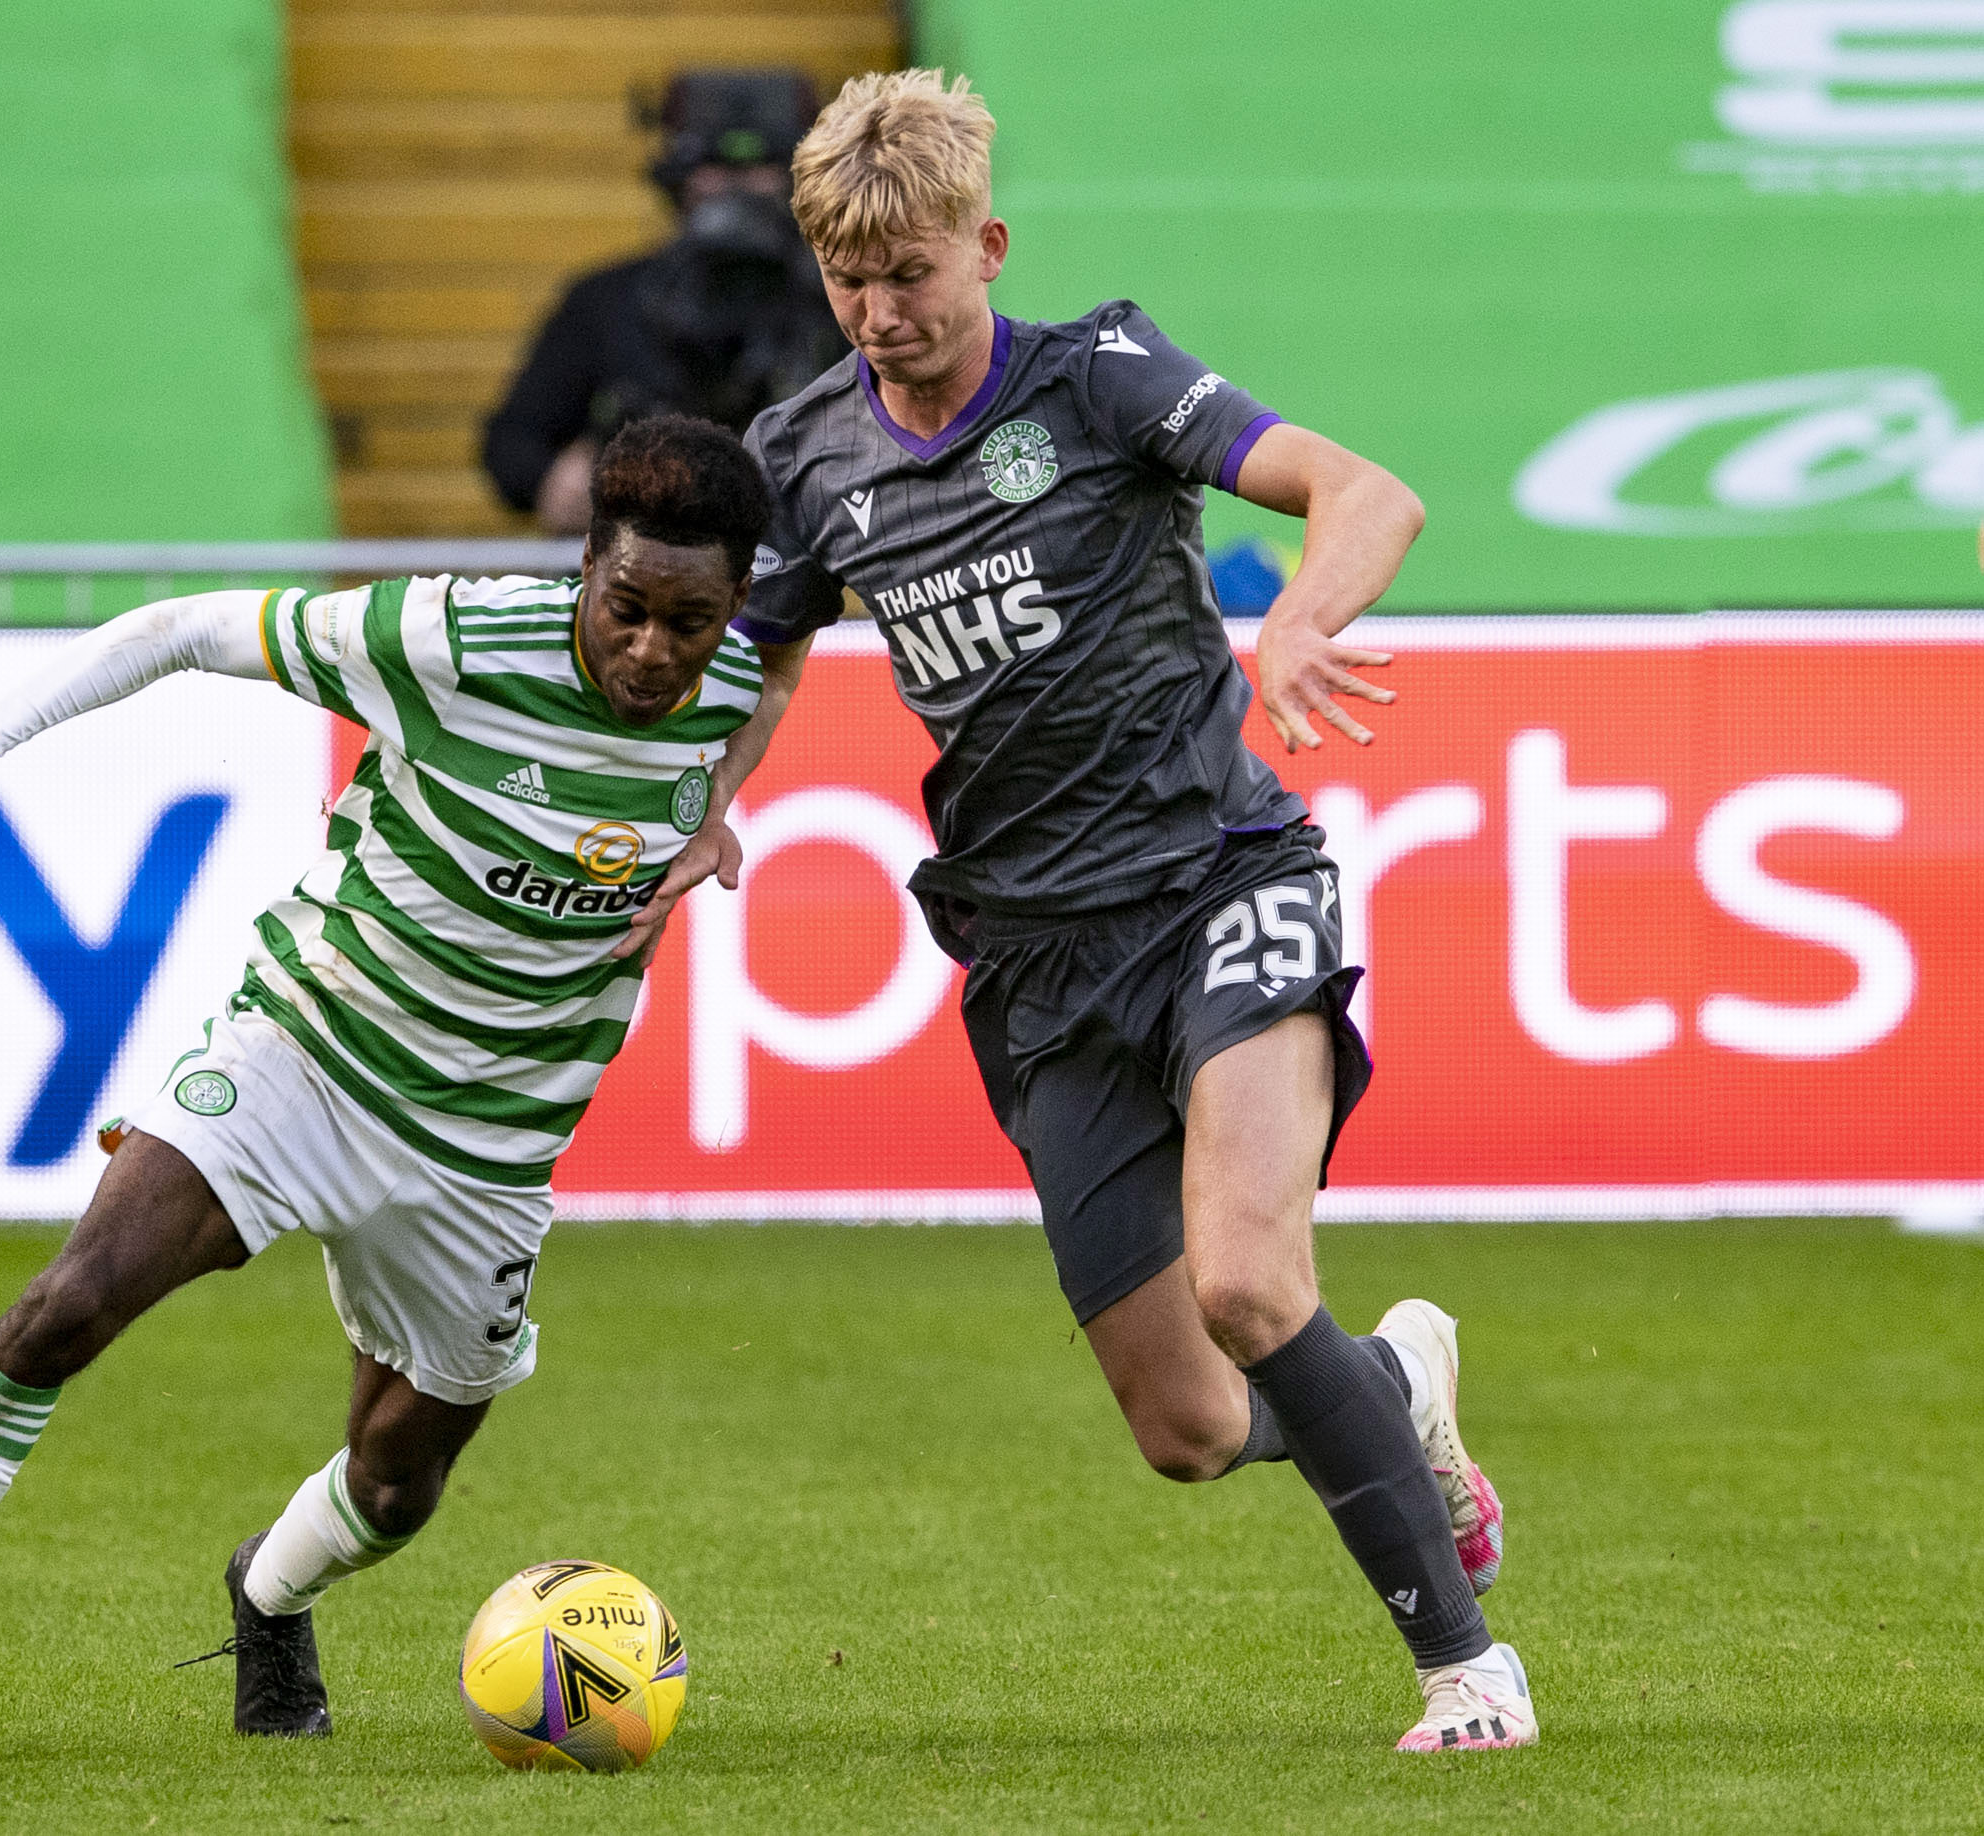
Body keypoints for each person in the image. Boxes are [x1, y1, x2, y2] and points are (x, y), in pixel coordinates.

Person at [643, 69, 1535, 1753]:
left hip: (1217, 882)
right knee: (1192, 1425)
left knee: (1253, 1290)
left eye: (910, 273)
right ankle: (1394, 1393)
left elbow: (1365, 492)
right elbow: (757, 654)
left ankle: (1465, 1671)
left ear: (986, 245)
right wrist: (706, 812)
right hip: (1033, 959)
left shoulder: (1100, 373)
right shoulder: (807, 454)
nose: (882, 312)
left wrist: (1292, 625)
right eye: (849, 282)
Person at [0, 416, 806, 1735]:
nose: (648, 650)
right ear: (584, 573)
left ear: (734, 604)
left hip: (488, 1150)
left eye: (687, 624)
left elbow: (783, 663)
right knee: (67, 1304)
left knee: (397, 1486)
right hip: (305, 1052)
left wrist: (722, 799)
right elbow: (175, 630)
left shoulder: (742, 679)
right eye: (623, 609)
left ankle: (268, 1598)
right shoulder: (439, 641)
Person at [482, 69, 848, 534]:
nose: (735, 190)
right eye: (714, 167)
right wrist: (556, 480)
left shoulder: (845, 298)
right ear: (678, 177)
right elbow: (512, 442)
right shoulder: (607, 300)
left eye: (759, 169)